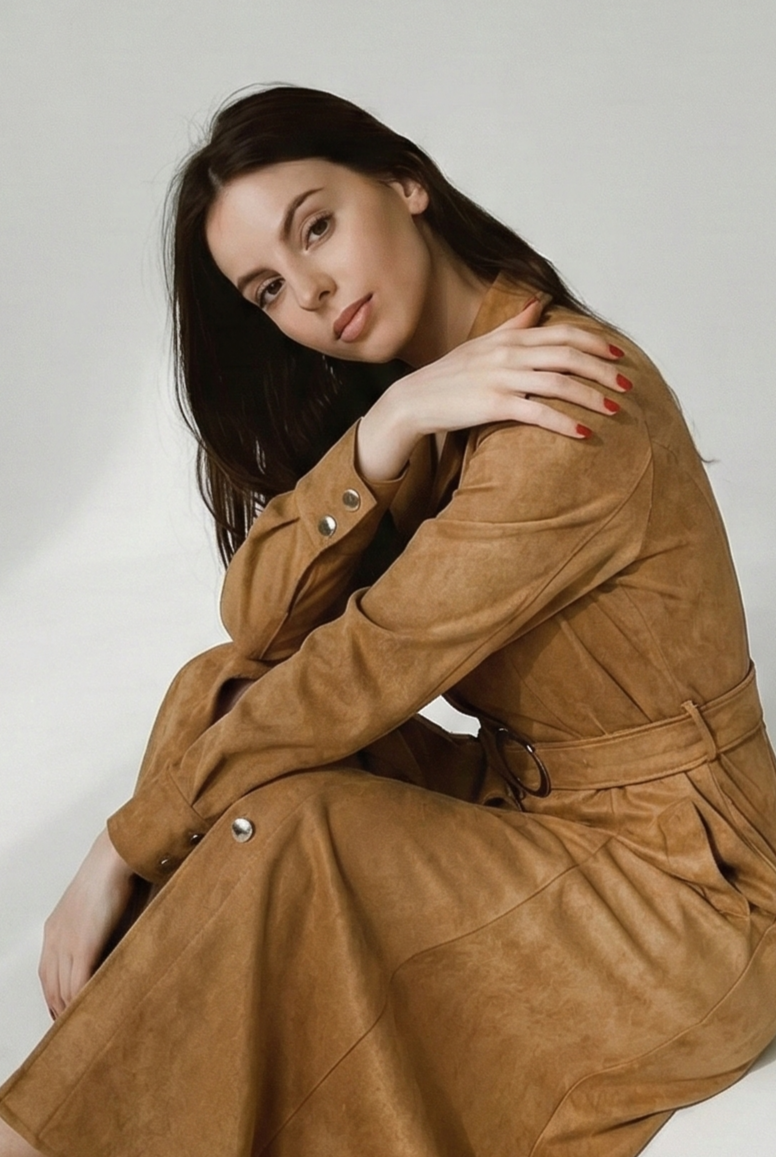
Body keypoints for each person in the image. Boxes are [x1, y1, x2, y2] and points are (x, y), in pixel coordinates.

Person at [1, 84, 775, 1157]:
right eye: (270, 288)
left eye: (316, 226)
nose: (311, 292)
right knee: (213, 689)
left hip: (685, 897)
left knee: (297, 827)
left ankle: (52, 1133)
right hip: (535, 815)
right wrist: (387, 428)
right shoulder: (435, 401)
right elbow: (258, 623)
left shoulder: (564, 403)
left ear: (404, 182)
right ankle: (128, 1090)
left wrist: (119, 843)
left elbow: (360, 670)